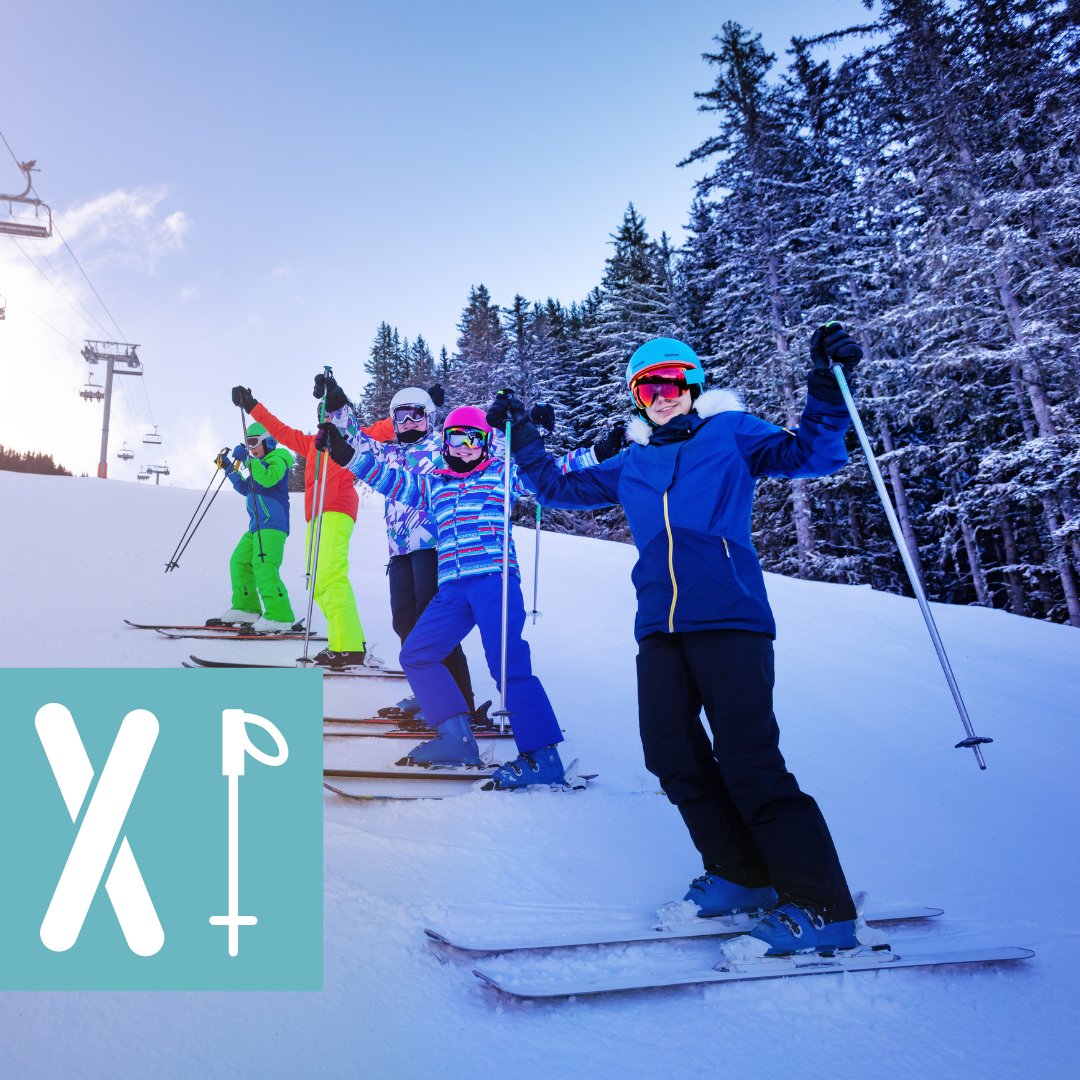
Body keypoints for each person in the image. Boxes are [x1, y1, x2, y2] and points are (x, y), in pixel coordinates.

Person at [492, 325, 867, 956]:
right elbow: (559, 488)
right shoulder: (635, 459)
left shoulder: (731, 433)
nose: (661, 394)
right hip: (659, 625)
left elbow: (813, 454)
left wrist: (827, 382)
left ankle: (823, 905)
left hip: (731, 615)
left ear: (692, 384)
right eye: (647, 385)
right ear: (638, 396)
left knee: (749, 759)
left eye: (671, 382)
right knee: (671, 754)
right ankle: (742, 874)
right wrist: (523, 438)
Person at [316, 401, 598, 788]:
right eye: (455, 438)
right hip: (452, 587)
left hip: (494, 580)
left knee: (505, 662)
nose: (464, 446)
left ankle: (543, 755)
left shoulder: (502, 475)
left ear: (485, 443)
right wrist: (347, 454)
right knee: (416, 654)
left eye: (473, 438)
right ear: (444, 442)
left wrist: (601, 451)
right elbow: (387, 478)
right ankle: (456, 738)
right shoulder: (434, 484)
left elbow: (554, 471)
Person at [316, 378, 476, 714]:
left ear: (430, 417)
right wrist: (336, 404)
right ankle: (428, 695)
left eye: (417, 415)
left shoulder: (442, 448)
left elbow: (480, 447)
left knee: (431, 623)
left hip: (434, 546)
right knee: (404, 622)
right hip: (400, 551)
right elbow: (357, 441)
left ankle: (460, 703)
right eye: (400, 417)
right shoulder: (389, 453)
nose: (408, 423)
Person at [229, 385, 367, 668]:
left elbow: (380, 429)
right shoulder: (310, 444)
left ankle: (349, 648)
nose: (326, 419)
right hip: (314, 516)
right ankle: (345, 642)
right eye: (322, 414)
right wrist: (252, 405)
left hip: (336, 507)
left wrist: (340, 400)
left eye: (333, 414)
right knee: (318, 582)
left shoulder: (352, 438)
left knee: (330, 577)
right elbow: (278, 429)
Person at [209, 422, 296, 633]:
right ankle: (246, 608)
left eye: (254, 442)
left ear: (269, 441)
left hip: (273, 524)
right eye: (248, 444)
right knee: (239, 561)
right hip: (256, 527)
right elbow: (245, 487)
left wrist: (248, 461)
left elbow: (268, 479)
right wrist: (229, 468)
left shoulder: (278, 459)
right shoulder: (258, 465)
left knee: (264, 566)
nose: (251, 448)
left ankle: (280, 616)